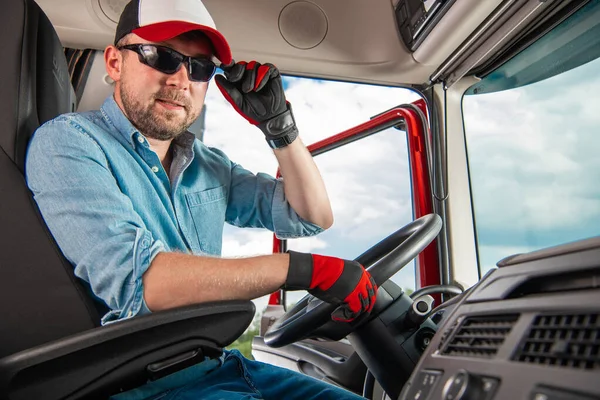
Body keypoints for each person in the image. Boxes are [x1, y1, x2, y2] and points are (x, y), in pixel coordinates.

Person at [25, 0, 378, 398]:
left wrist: (280, 128)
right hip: (142, 384)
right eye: (161, 56)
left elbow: (310, 216)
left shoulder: (207, 163)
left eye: (200, 68)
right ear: (114, 63)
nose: (180, 80)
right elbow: (143, 284)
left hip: (219, 364)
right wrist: (303, 270)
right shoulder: (69, 142)